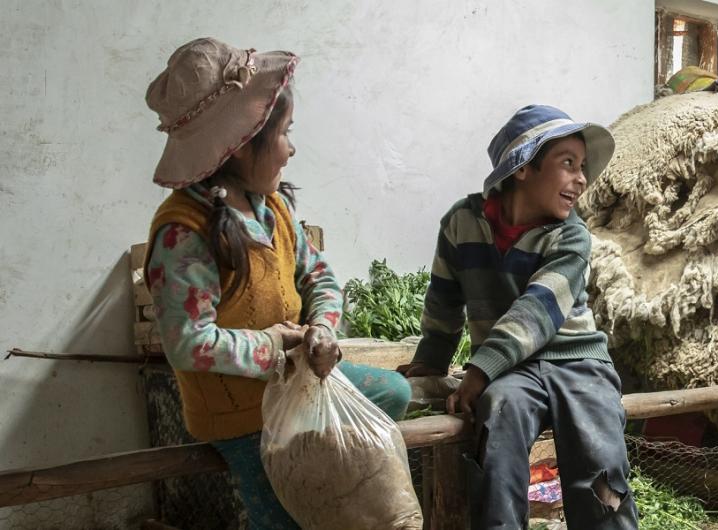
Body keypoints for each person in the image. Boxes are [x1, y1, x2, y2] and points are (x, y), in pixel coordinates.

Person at [142, 37, 411, 530]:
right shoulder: (184, 232)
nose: (291, 148)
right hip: (243, 417)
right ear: (242, 145)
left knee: (392, 392)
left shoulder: (272, 207)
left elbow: (319, 275)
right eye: (284, 133)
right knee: (286, 517)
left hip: (297, 384)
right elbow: (188, 344)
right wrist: (271, 347)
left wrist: (323, 329)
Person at [397, 105, 639, 529]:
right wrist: (431, 363)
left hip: (578, 363)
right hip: (512, 371)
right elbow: (443, 301)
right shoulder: (461, 223)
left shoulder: (571, 236)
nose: (581, 179)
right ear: (524, 167)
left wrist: (478, 370)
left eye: (582, 167)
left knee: (599, 457)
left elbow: (538, 310)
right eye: (568, 164)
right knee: (499, 416)